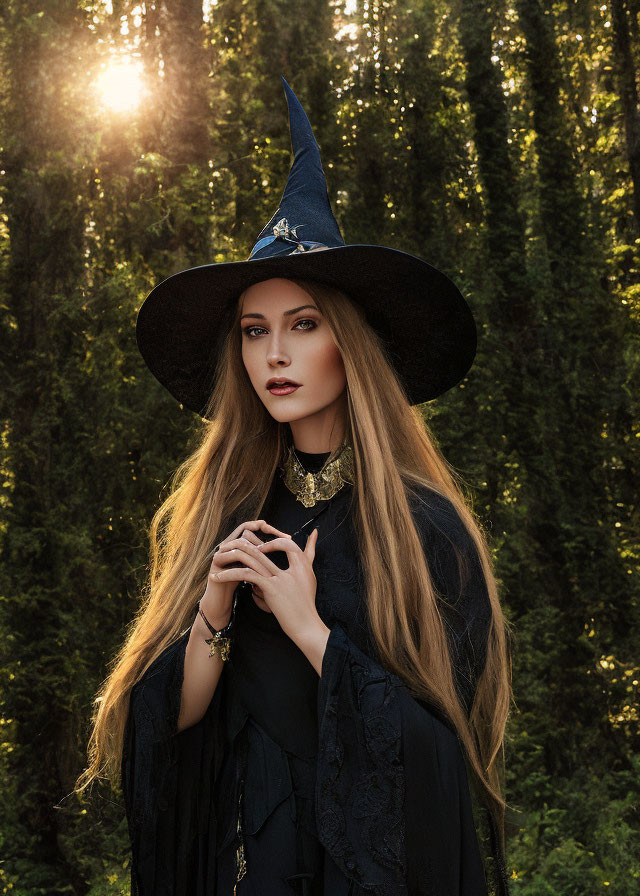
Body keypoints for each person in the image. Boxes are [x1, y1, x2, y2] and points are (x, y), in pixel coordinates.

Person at [76, 77, 515, 896]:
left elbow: (440, 771)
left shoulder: (427, 530)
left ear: (348, 345)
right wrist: (212, 611)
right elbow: (157, 741)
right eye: (254, 331)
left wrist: (312, 631)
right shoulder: (222, 513)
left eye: (303, 325)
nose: (274, 354)